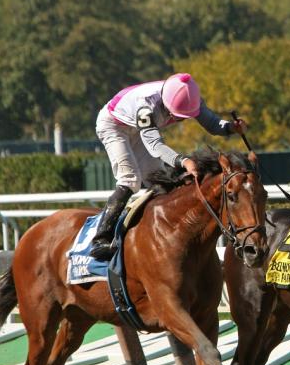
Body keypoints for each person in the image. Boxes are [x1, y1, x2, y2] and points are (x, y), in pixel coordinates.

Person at [90, 73, 247, 260]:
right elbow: (155, 146)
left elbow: (212, 123)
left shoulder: (191, 97)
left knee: (156, 179)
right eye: (178, 116)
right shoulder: (145, 107)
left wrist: (230, 127)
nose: (181, 120)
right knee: (130, 179)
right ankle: (101, 238)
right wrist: (183, 161)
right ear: (166, 103)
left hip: (138, 128)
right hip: (113, 125)